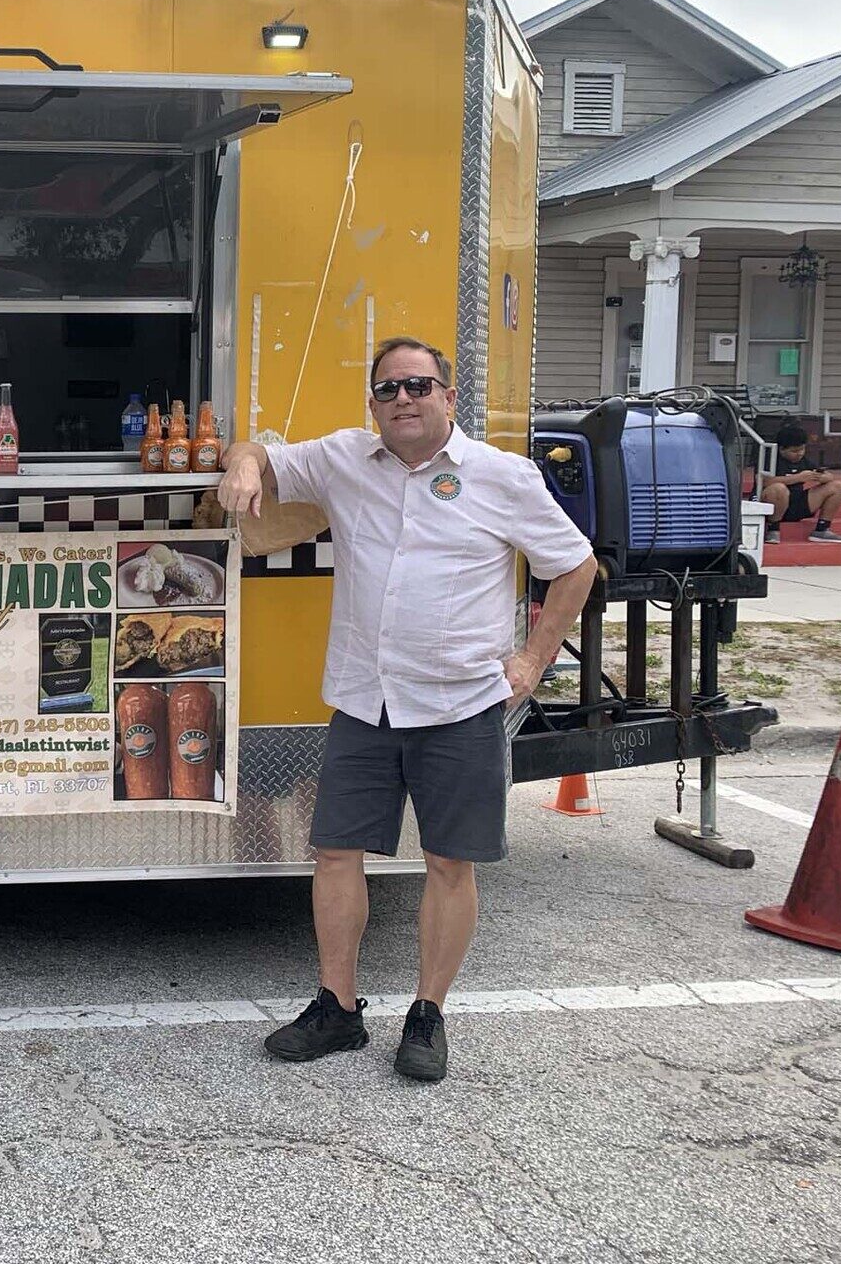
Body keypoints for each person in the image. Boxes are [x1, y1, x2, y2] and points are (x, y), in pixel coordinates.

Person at [219, 336, 598, 1082]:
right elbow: (262, 451)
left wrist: (531, 660)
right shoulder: (344, 460)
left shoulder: (501, 476)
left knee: (447, 863)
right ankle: (338, 1006)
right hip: (366, 698)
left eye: (419, 386)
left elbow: (577, 564)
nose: (403, 400)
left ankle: (428, 1014)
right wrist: (241, 460)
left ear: (448, 398)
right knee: (333, 852)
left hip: (460, 703)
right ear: (373, 402)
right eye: (388, 388)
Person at [760, 424, 841, 544]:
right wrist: (798, 478)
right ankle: (773, 529)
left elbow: (829, 475)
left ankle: (822, 529)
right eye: (794, 451)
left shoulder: (803, 460)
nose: (799, 454)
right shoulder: (768, 458)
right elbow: (764, 481)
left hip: (797, 504)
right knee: (778, 488)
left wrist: (821, 477)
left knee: (837, 486)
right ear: (782, 449)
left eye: (802, 449)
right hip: (774, 506)